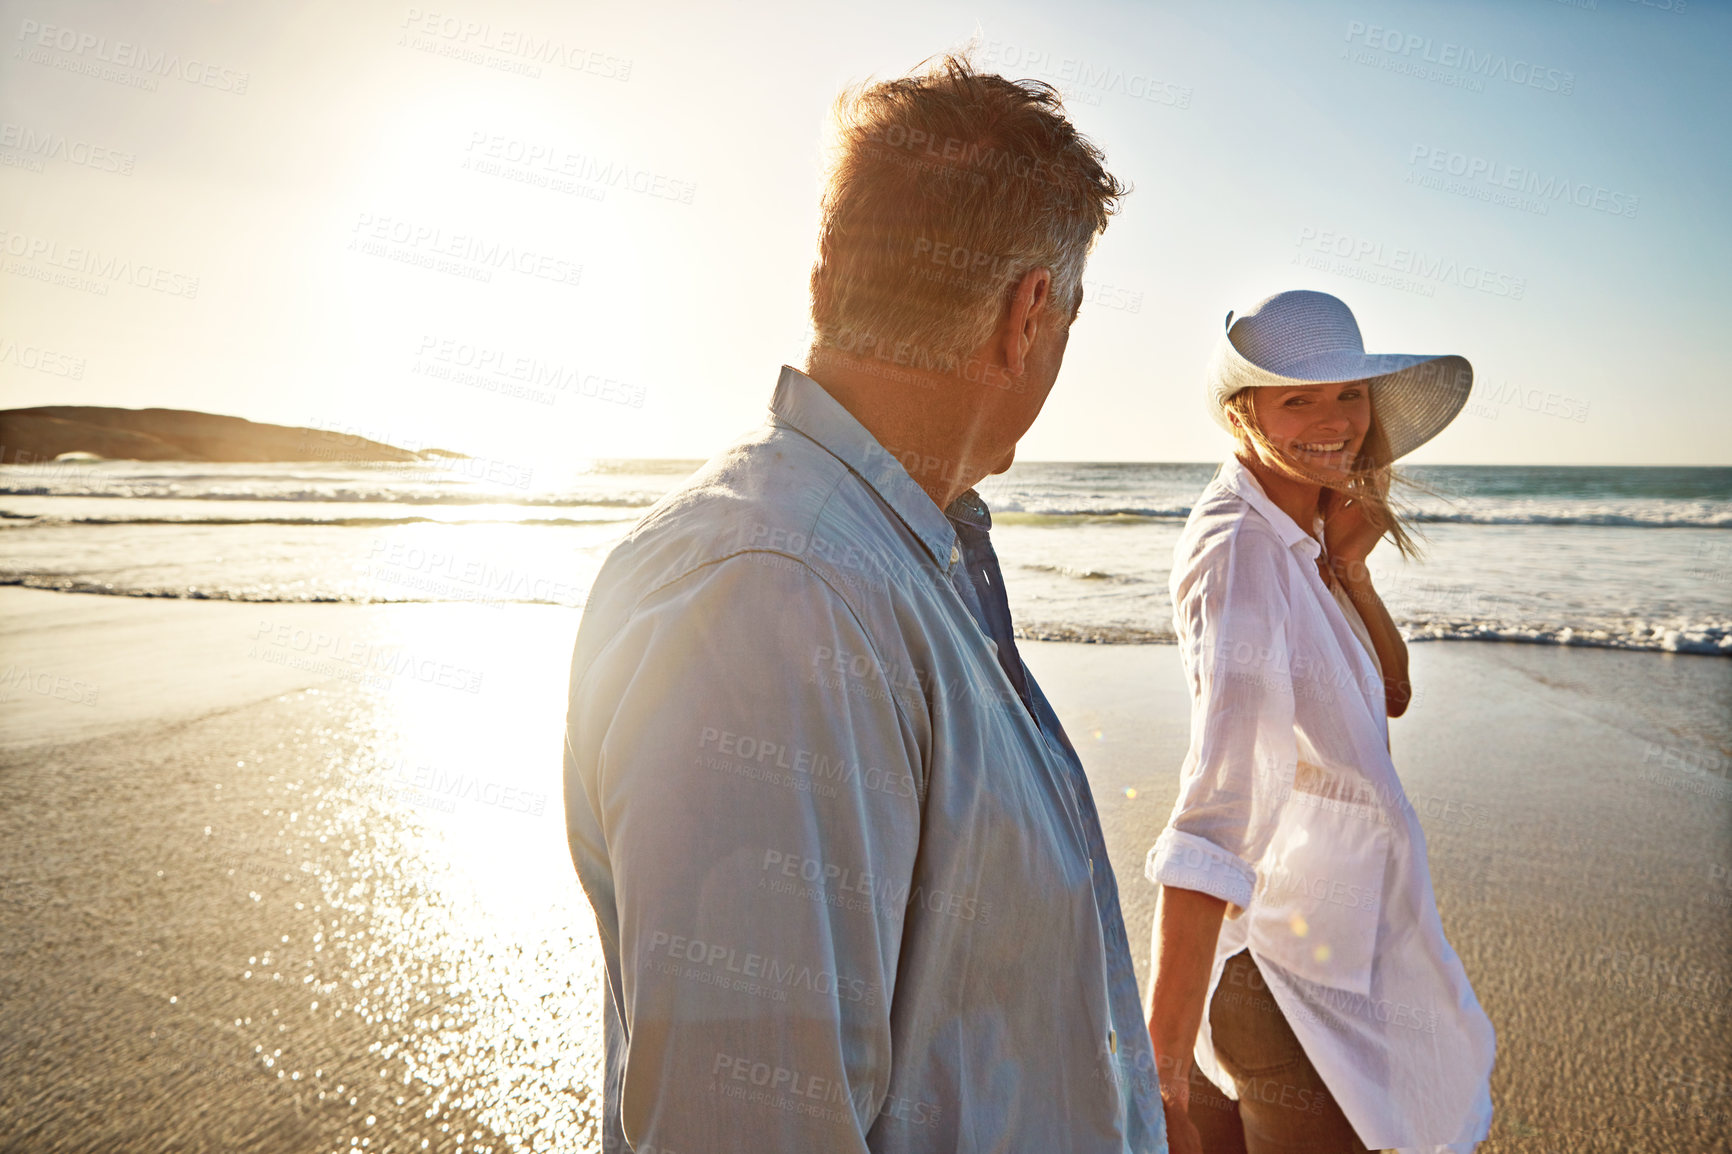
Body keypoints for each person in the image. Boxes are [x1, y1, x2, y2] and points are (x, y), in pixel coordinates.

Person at [563, 56, 1166, 1152]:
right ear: (1027, 318)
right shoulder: (776, 596)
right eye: (1069, 322)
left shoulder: (882, 559)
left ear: (823, 275)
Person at [1144, 290, 1496, 1154]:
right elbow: (1213, 819)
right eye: (1298, 397)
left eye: (1348, 393)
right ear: (1244, 411)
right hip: (1288, 983)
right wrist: (1159, 1083)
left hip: (1327, 960)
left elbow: (1391, 692)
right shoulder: (1241, 552)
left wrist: (1350, 571)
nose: (1333, 419)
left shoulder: (1300, 537)